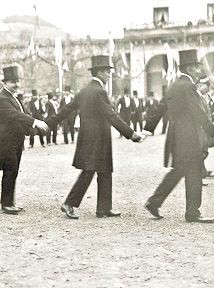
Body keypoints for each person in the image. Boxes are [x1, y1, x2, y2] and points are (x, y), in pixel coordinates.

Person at [46, 55, 144, 219]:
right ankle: (69, 203)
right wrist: (131, 133)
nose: (109, 75)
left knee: (104, 170)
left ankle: (104, 208)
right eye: (106, 72)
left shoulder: (84, 91)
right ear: (99, 73)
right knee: (90, 171)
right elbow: (111, 115)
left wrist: (48, 123)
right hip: (99, 137)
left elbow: (67, 109)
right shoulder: (99, 91)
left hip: (88, 137)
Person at [143, 49, 214, 223]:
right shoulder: (188, 86)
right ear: (189, 69)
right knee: (194, 171)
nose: (200, 71)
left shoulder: (174, 84)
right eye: (197, 68)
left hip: (177, 137)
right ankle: (192, 212)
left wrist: (148, 128)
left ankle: (155, 202)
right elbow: (199, 113)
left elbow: (160, 107)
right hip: (189, 137)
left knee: (180, 171)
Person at [0, 66, 49, 214]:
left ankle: (11, 201)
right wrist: (35, 122)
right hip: (5, 141)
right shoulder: (2, 99)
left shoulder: (13, 97)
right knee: (10, 170)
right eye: (13, 82)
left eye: (17, 81)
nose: (16, 84)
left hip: (15, 140)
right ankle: (6, 204)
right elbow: (15, 115)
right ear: (5, 83)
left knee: (14, 170)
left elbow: (24, 113)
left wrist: (35, 126)